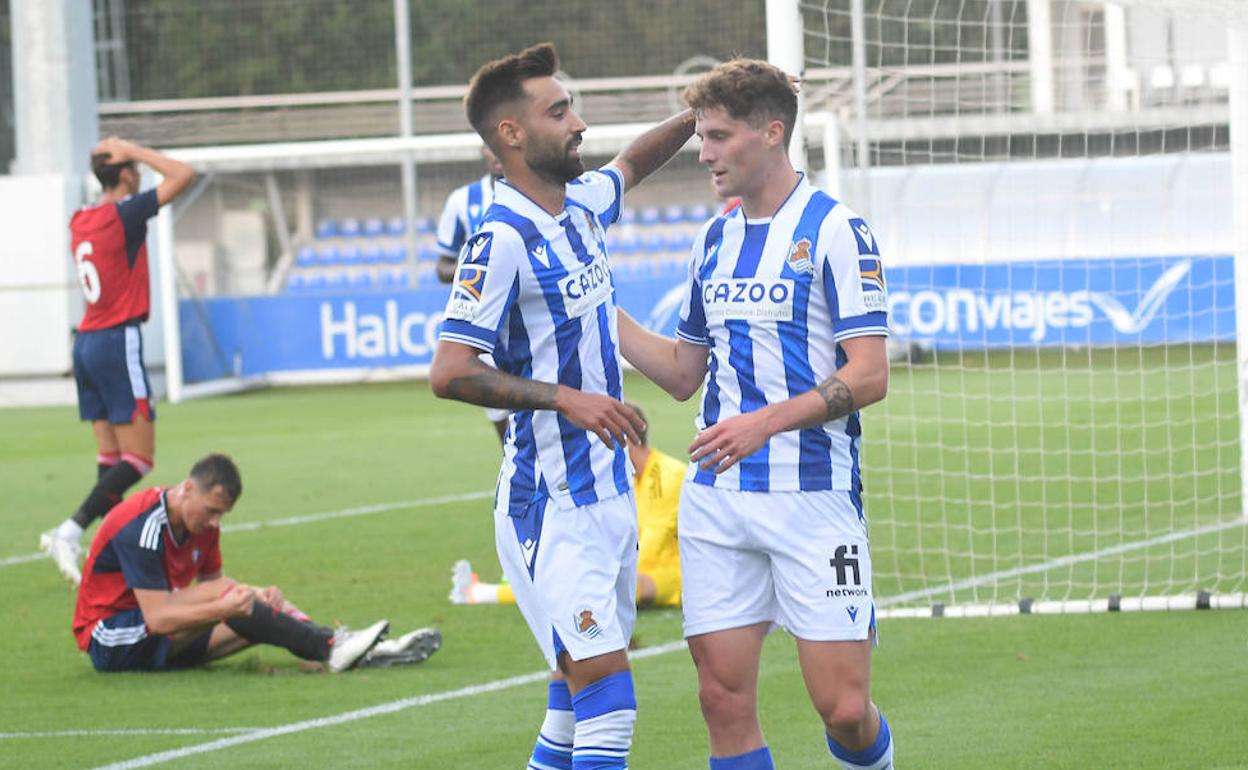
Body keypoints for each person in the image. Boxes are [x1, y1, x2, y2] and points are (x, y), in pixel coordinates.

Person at [615, 59, 895, 770]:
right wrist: (597, 307)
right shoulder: (714, 239)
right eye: (700, 137)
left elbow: (869, 374)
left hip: (812, 496)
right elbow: (683, 374)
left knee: (846, 711)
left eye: (717, 136)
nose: (703, 152)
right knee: (722, 701)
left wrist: (764, 423)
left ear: (772, 133)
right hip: (719, 503)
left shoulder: (837, 231)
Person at [428, 42, 694, 770]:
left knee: (572, 694)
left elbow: (634, 162)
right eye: (559, 111)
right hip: (550, 503)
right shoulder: (501, 238)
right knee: (609, 694)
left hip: (610, 497)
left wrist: (701, 111)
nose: (578, 123)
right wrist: (565, 398)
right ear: (511, 134)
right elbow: (449, 371)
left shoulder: (580, 207)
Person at [73, 453, 442, 673]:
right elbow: (158, 617)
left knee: (248, 603)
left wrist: (253, 593)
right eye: (211, 511)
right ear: (187, 488)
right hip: (111, 638)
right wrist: (227, 604)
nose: (215, 522)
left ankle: (351, 649)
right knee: (235, 606)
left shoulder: (202, 523)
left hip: (156, 633)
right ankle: (334, 647)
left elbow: (214, 584)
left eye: (222, 515)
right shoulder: (144, 525)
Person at [41, 137, 196, 586]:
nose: (141, 172)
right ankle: (69, 532)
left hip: (87, 342)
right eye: (134, 166)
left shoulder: (80, 219)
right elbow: (183, 174)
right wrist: (136, 149)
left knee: (111, 459)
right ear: (125, 172)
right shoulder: (124, 213)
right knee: (140, 459)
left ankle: (104, 547)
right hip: (115, 340)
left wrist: (121, 157)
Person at [450, 403, 684, 609]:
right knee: (574, 575)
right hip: (638, 567)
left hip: (675, 573)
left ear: (626, 438)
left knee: (595, 582)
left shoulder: (667, 477)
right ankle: (485, 591)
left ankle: (483, 593)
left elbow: (650, 548)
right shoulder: (624, 475)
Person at [434, 145, 510, 442]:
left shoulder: (538, 194)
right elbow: (442, 266)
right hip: (485, 326)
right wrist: (478, 271)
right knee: (502, 418)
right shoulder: (462, 201)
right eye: (490, 148)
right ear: (482, 150)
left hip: (530, 319)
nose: (496, 154)